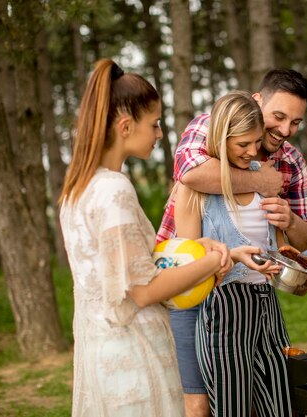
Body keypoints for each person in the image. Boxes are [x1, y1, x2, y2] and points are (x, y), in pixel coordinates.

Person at [59, 58, 233, 417]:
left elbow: (129, 263)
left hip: (98, 349)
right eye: (153, 124)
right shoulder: (113, 189)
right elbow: (144, 290)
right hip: (133, 353)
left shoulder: (76, 191)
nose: (159, 134)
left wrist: (194, 248)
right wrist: (214, 262)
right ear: (125, 126)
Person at [157, 69, 307, 417]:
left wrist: (306, 261)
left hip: (262, 303)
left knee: (280, 403)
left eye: (296, 122)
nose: (286, 130)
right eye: (279, 117)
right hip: (201, 296)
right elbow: (189, 177)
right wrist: (260, 181)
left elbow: (290, 244)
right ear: (258, 102)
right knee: (206, 404)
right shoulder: (208, 130)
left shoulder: (287, 163)